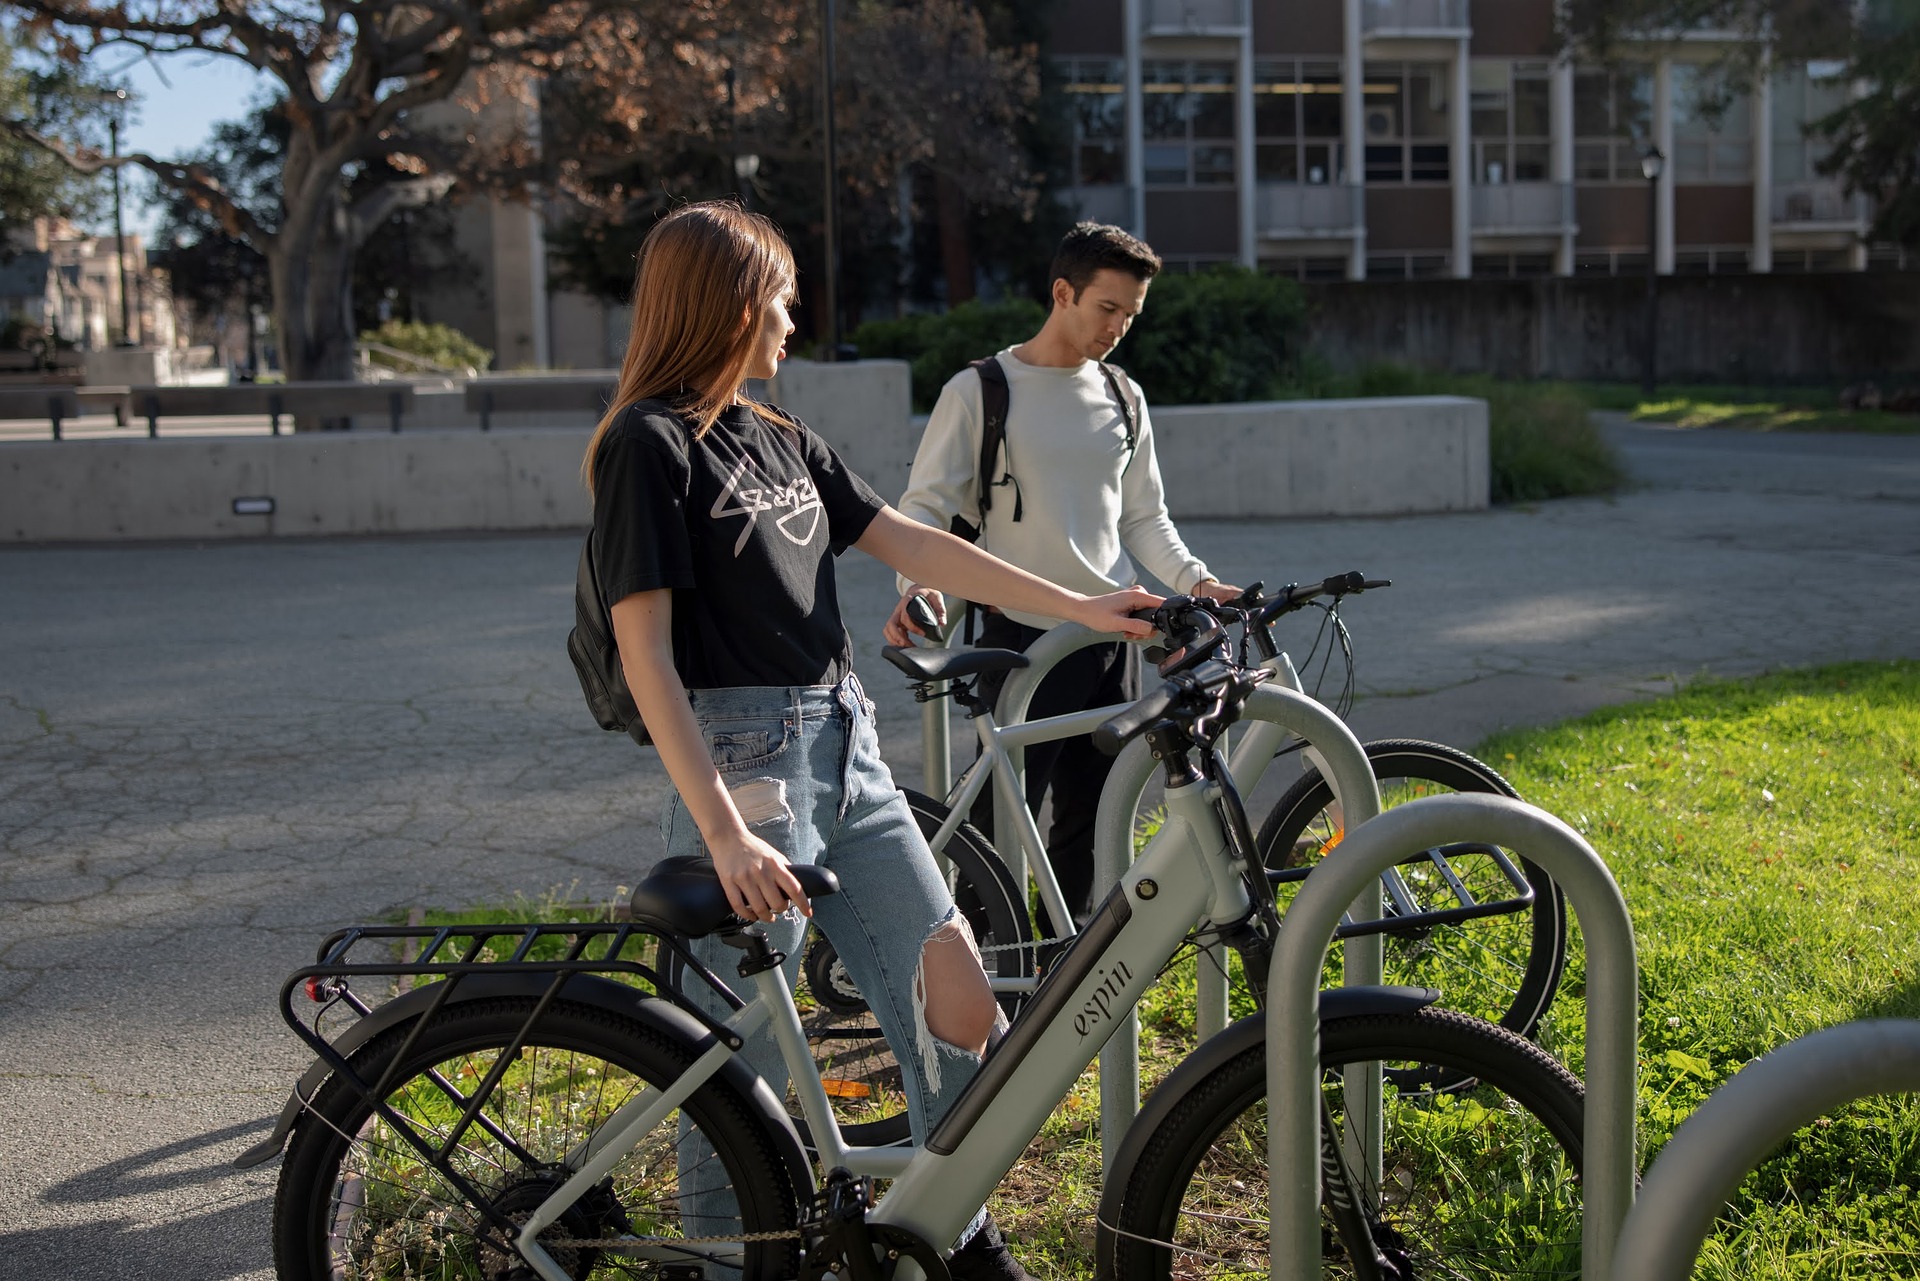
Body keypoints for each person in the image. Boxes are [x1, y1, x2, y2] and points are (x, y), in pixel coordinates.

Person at [582, 202, 1158, 1280]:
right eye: (780, 299)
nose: (794, 320)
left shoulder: (783, 435)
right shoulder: (647, 446)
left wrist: (1082, 606)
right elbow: (647, 656)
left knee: (958, 994)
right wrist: (723, 833)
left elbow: (912, 542)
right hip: (744, 757)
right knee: (742, 1041)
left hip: (846, 742)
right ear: (725, 301)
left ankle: (950, 1229)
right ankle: (718, 1260)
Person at [884, 222, 1239, 935]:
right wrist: (916, 594)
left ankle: (1063, 961)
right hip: (1021, 640)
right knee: (997, 820)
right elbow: (923, 513)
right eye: (1108, 308)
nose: (1119, 327)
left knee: (1095, 816)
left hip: (1111, 639)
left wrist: (1198, 582)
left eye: (1131, 314)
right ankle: (976, 963)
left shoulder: (1123, 395)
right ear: (1062, 293)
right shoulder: (981, 391)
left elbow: (1143, 520)